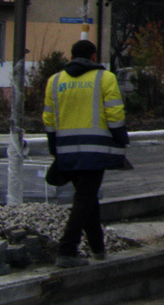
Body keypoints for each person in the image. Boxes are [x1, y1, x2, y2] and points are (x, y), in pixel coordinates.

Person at [43, 40, 128, 268]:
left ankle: (98, 248)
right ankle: (67, 251)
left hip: (66, 151)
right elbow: (115, 114)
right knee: (84, 198)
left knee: (87, 197)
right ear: (93, 57)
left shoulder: (55, 81)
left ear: (71, 57)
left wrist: (55, 148)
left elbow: (49, 120)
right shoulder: (105, 78)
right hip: (95, 150)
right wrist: (121, 139)